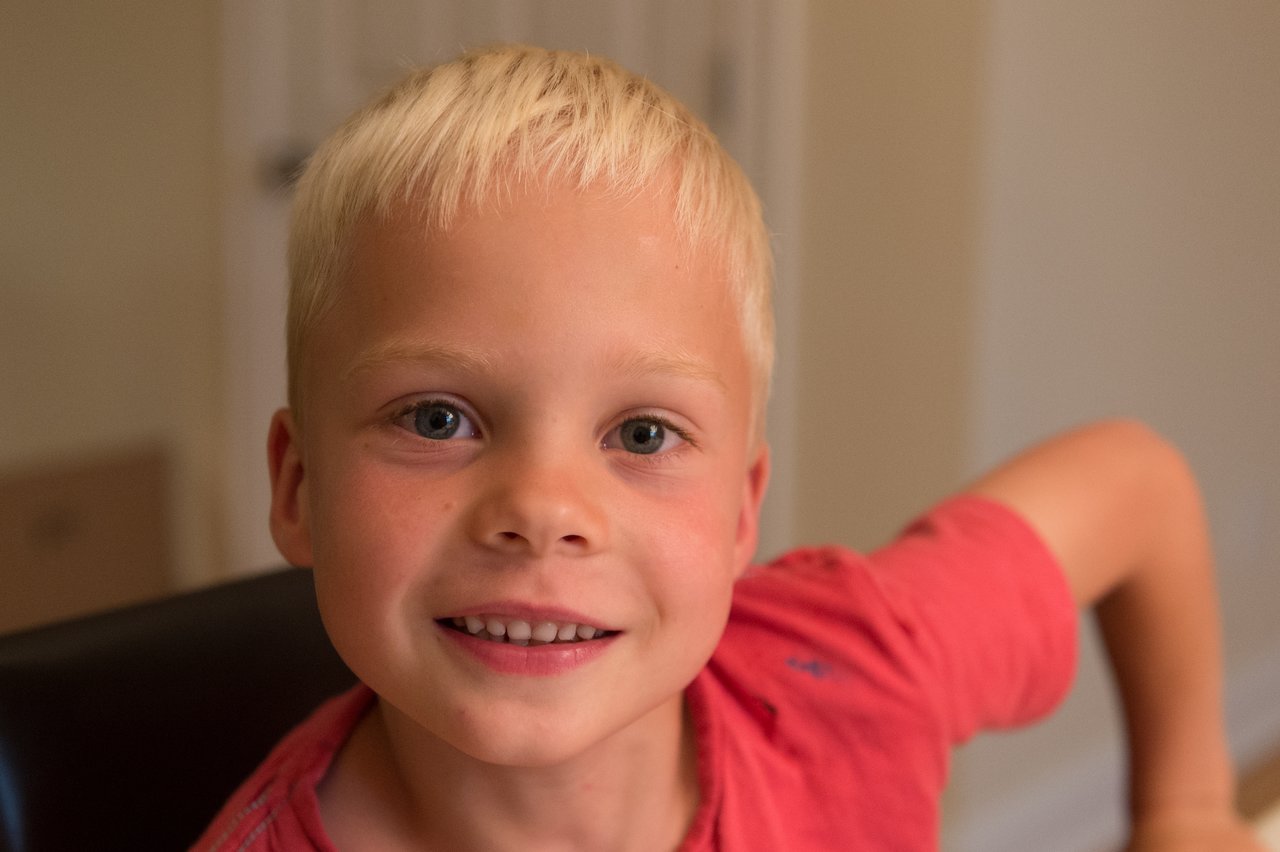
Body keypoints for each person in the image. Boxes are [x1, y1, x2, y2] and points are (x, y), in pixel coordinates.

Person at [195, 44, 1261, 851]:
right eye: (437, 419)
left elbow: (1135, 484)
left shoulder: (845, 673)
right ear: (297, 484)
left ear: (744, 509)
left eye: (643, 433)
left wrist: (1182, 812)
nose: (543, 506)